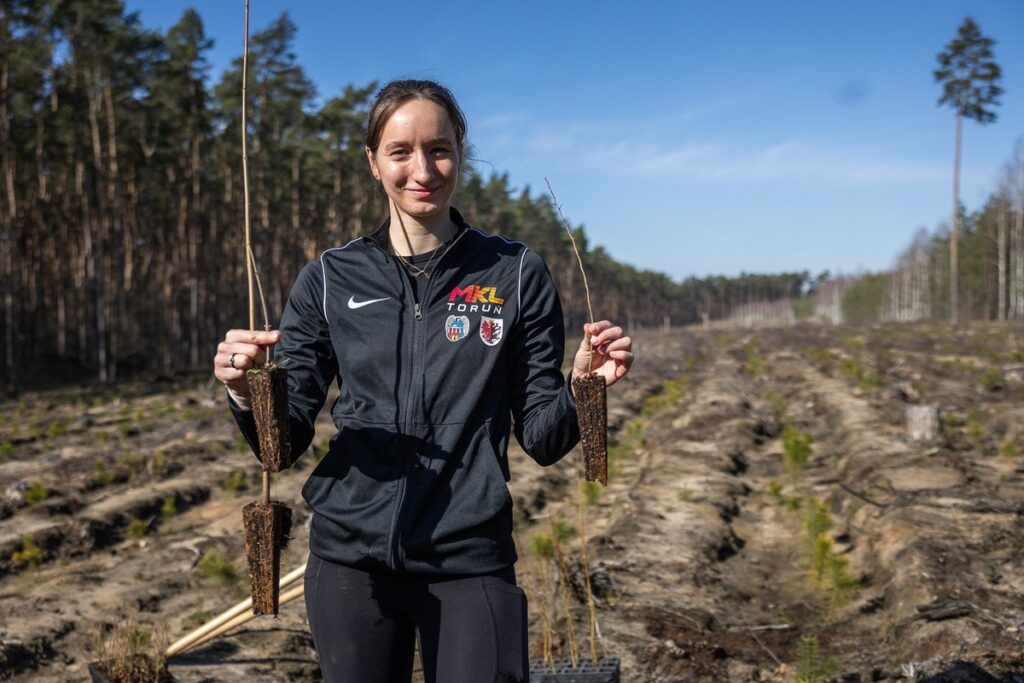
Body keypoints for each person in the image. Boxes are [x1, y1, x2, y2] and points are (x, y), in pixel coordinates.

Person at [213, 79, 633, 683]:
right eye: (400, 151)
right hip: (350, 560)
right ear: (373, 162)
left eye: (439, 149)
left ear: (460, 152)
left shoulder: (514, 273)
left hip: (470, 555)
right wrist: (243, 390)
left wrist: (580, 387)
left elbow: (542, 437)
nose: (423, 169)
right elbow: (285, 441)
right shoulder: (330, 277)